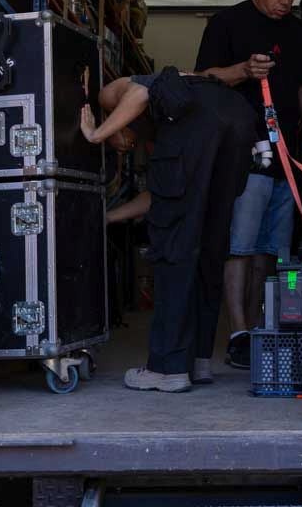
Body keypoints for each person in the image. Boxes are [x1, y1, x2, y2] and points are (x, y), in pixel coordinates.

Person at [81, 68, 255, 392]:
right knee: (208, 248)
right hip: (238, 119)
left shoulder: (111, 96)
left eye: (120, 144)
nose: (124, 147)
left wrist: (97, 134)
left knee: (174, 250)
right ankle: (199, 362)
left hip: (205, 126)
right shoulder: (177, 114)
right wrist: (110, 216)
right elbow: (164, 194)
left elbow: (138, 93)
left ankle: (167, 368)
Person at [194, 0, 302, 368]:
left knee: (274, 250)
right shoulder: (226, 23)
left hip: (287, 155)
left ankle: (265, 327)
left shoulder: (300, 33)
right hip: (242, 155)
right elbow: (203, 80)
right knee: (240, 246)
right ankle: (239, 333)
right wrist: (244, 71)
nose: (285, 0)